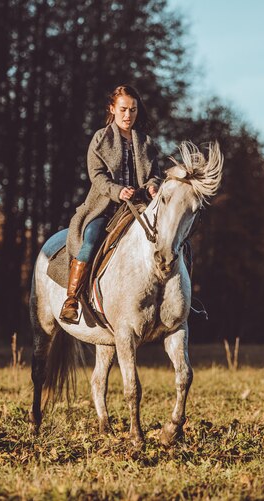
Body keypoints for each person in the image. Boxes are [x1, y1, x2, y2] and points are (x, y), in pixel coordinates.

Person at [60, 84, 162, 324]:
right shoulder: (101, 138)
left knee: (168, 239)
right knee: (90, 241)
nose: (128, 115)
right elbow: (96, 175)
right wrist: (118, 191)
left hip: (139, 210)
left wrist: (152, 186)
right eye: (124, 109)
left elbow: (155, 174)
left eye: (133, 110)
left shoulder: (145, 141)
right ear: (112, 109)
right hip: (105, 209)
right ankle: (72, 299)